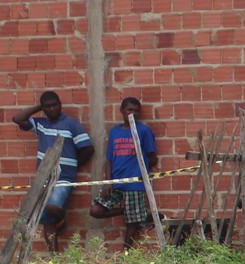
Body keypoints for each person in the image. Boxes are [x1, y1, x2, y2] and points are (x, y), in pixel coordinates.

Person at [12, 91, 94, 253]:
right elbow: (17, 119)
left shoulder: (71, 124)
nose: (52, 109)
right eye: (47, 107)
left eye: (55, 105)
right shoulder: (40, 124)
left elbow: (88, 148)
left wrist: (74, 165)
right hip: (44, 179)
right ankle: (54, 257)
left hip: (64, 177)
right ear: (43, 108)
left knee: (53, 207)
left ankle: (61, 219)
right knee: (46, 220)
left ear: (60, 105)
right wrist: (38, 107)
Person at [90, 97, 159, 249]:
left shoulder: (143, 131)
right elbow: (109, 159)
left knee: (131, 224)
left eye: (136, 111)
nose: (132, 113)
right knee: (95, 210)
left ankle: (126, 254)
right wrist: (109, 182)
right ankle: (128, 211)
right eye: (129, 110)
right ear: (121, 110)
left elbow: (152, 156)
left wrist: (141, 169)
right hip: (116, 183)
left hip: (135, 183)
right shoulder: (115, 131)